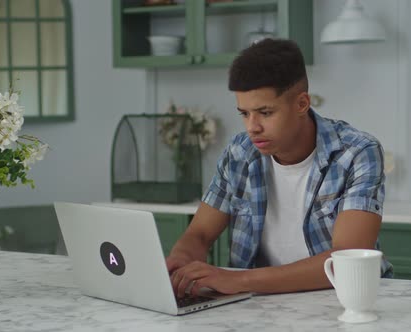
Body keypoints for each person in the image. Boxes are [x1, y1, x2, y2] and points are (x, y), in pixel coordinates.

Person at [166, 38, 392, 298]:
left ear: (301, 104)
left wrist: (239, 280)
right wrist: (180, 261)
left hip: (343, 303)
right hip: (259, 304)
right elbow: (200, 233)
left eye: (265, 112)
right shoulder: (239, 153)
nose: (252, 127)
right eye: (244, 113)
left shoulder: (357, 152)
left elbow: (346, 263)